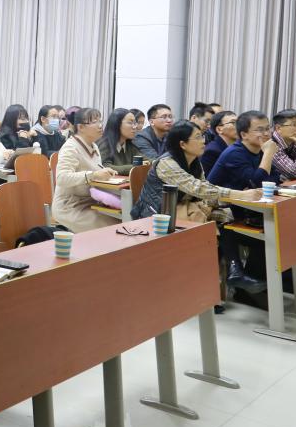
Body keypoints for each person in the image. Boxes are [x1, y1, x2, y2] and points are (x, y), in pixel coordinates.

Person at [131, 121, 265, 293]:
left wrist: (223, 201)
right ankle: (211, 283)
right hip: (158, 214)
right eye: (198, 137)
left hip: (182, 207)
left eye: (202, 136)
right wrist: (237, 195)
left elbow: (204, 189)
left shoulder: (194, 161)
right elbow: (196, 188)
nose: (203, 141)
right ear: (182, 144)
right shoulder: (166, 163)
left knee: (226, 217)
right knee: (213, 225)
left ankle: (225, 278)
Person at [52, 108, 120, 233]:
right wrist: (93, 175)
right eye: (94, 122)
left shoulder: (94, 145)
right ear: (81, 127)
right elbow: (61, 178)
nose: (100, 125)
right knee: (115, 226)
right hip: (70, 206)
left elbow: (93, 170)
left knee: (122, 218)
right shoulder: (70, 147)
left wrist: (103, 171)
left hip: (90, 202)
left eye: (100, 121)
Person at [97, 108, 144, 174]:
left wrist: (154, 162)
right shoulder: (104, 144)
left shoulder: (130, 144)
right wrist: (136, 167)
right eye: (130, 123)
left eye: (135, 123)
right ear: (117, 124)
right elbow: (105, 167)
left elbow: (144, 160)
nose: (135, 127)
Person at [201, 111, 237, 176]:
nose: (239, 126)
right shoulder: (211, 151)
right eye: (233, 123)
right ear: (219, 129)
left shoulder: (238, 149)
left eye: (239, 123)